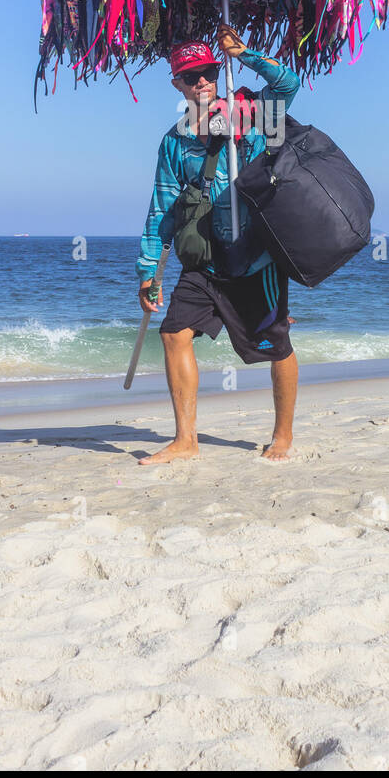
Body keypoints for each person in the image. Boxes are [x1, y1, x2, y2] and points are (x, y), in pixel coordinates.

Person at [136, 23, 300, 464]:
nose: (203, 81)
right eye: (192, 76)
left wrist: (244, 54)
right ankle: (186, 440)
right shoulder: (176, 142)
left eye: (209, 70)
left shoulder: (251, 112)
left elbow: (288, 83)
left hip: (256, 257)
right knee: (173, 333)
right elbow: (162, 208)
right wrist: (148, 271)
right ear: (178, 84)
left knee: (276, 345)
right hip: (206, 258)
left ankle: (282, 435)